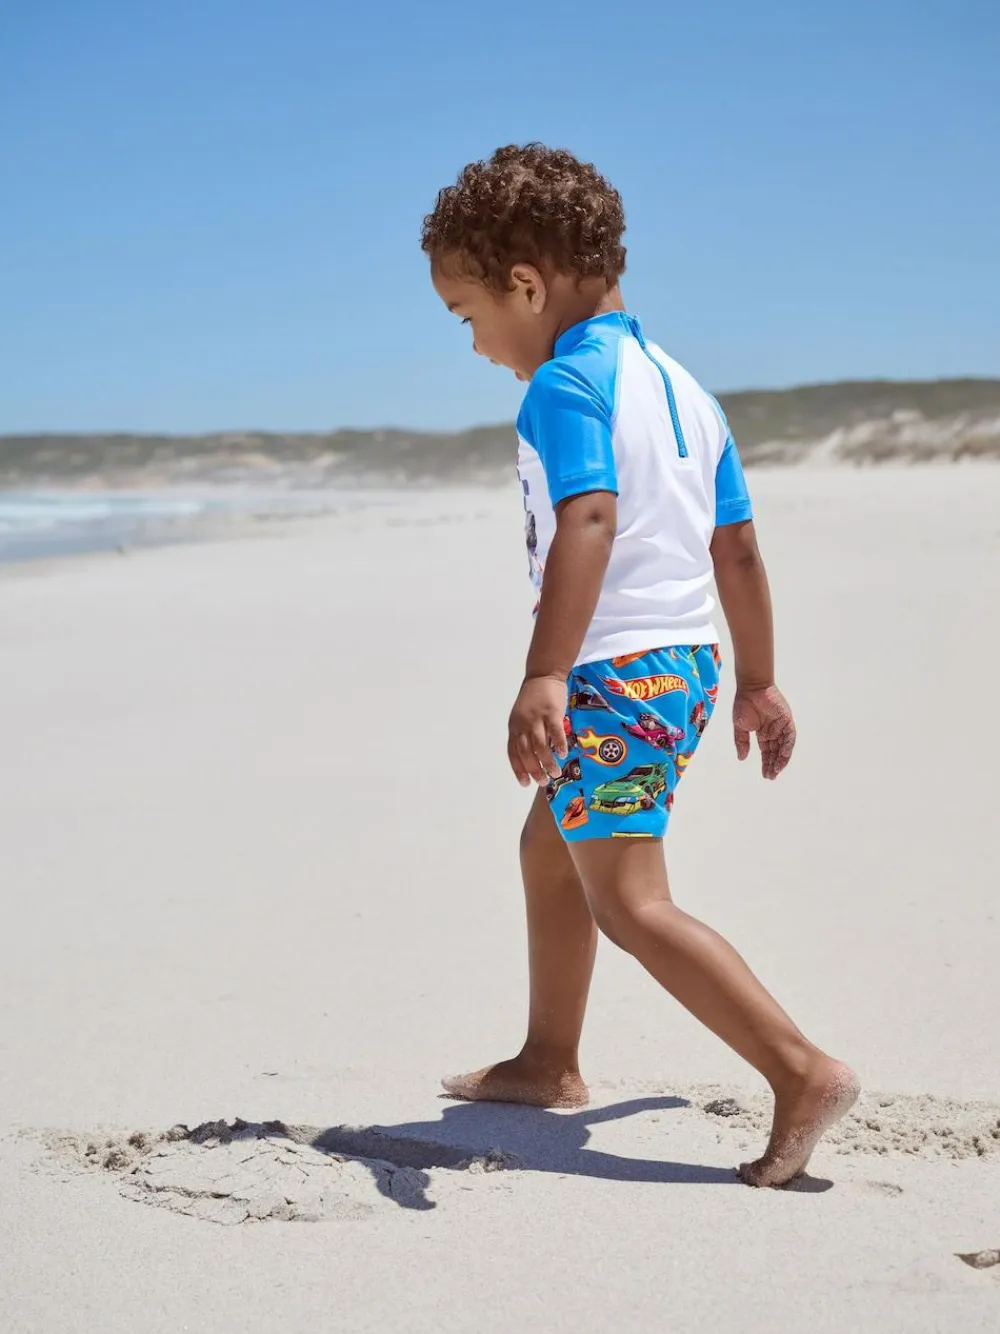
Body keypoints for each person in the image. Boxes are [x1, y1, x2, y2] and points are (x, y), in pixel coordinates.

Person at [420, 144, 858, 1187]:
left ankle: (799, 1069)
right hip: (685, 665)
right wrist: (756, 678)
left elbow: (590, 518)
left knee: (628, 899)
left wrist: (544, 674)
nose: (475, 343)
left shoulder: (565, 384)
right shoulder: (685, 389)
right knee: (550, 844)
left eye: (468, 314)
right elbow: (735, 548)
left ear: (527, 286)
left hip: (613, 676)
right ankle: (549, 1059)